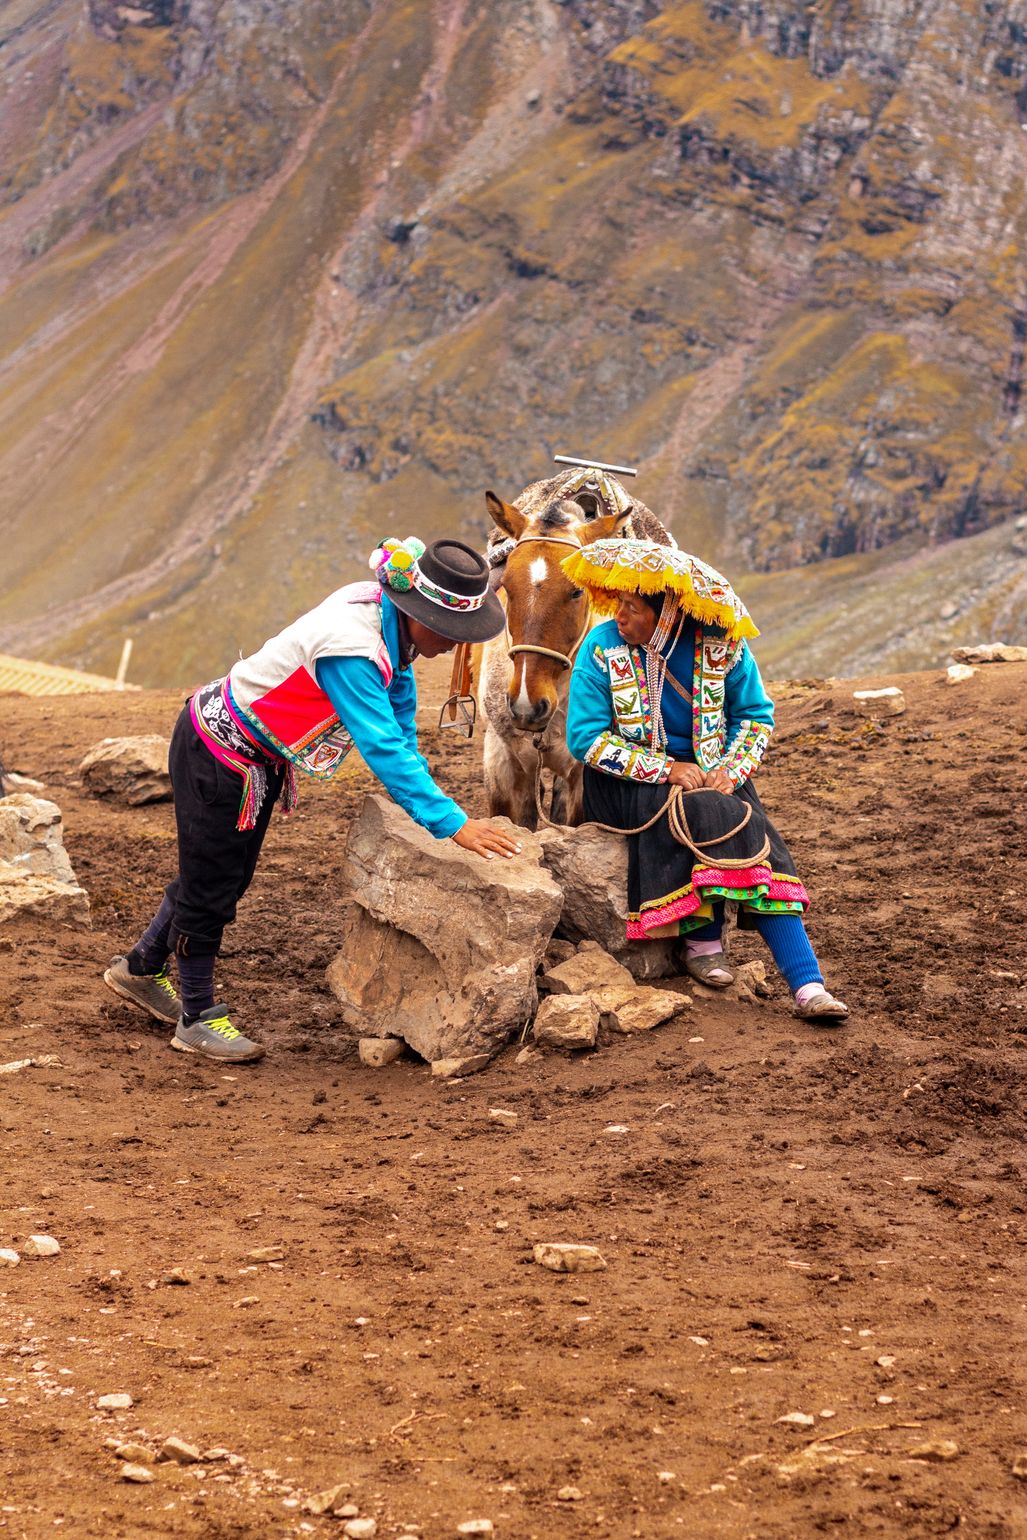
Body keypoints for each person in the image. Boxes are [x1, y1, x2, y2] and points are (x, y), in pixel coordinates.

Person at [103, 537, 519, 1062]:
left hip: (249, 754)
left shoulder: (384, 620)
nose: (455, 644)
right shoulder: (352, 648)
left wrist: (423, 791)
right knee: (211, 885)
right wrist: (450, 821)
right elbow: (382, 745)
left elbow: (399, 701)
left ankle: (140, 967)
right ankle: (196, 1015)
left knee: (220, 875)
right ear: (419, 613)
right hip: (220, 755)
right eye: (450, 632)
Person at [563, 538, 848, 1023]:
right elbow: (584, 740)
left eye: (632, 608)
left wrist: (730, 771)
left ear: (668, 615)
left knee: (758, 836)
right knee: (709, 814)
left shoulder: (724, 646)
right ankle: (703, 942)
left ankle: (808, 985)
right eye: (620, 606)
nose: (620, 616)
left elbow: (755, 717)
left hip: (713, 773)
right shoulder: (601, 647)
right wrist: (666, 769)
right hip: (625, 780)